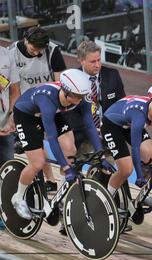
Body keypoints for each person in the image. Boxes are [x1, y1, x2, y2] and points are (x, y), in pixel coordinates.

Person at [11, 69, 111, 220]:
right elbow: (52, 139)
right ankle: (18, 197)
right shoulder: (47, 100)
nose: (78, 101)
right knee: (37, 163)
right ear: (64, 91)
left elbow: (90, 127)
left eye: (81, 97)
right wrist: (65, 167)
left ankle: (63, 197)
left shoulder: (80, 100)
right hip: (26, 116)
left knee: (70, 149)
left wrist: (101, 156)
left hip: (56, 113)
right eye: (75, 97)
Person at [101, 81, 152, 236]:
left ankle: (141, 197)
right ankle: (105, 198)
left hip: (129, 125)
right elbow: (135, 148)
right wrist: (139, 175)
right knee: (126, 169)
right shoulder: (139, 114)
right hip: (112, 125)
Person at [9, 26, 67, 192]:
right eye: (34, 49)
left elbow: (60, 81)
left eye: (40, 50)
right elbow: (14, 87)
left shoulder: (53, 51)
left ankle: (64, 183)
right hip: (27, 106)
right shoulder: (12, 53)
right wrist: (14, 112)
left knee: (65, 144)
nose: (36, 53)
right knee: (37, 145)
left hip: (50, 103)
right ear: (25, 40)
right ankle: (50, 180)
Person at [70, 40, 126, 154]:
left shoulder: (113, 75)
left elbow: (122, 105)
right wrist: (91, 130)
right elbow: (70, 114)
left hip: (108, 133)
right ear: (82, 61)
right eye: (92, 61)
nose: (97, 65)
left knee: (109, 169)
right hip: (81, 134)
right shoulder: (72, 79)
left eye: (99, 60)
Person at [0, 44, 21, 230]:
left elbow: (15, 91)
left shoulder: (6, 55)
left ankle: (5, 213)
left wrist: (12, 118)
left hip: (5, 127)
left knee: (8, 174)